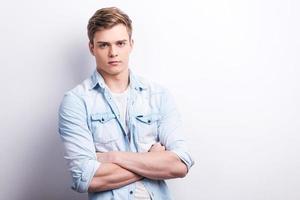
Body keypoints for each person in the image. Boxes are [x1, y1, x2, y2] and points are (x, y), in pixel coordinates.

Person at [58, 7, 194, 200]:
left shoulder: (158, 95)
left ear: (131, 44)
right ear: (92, 48)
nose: (113, 52)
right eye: (104, 45)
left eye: (120, 43)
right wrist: (152, 162)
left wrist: (113, 157)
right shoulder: (76, 102)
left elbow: (180, 165)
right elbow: (85, 178)